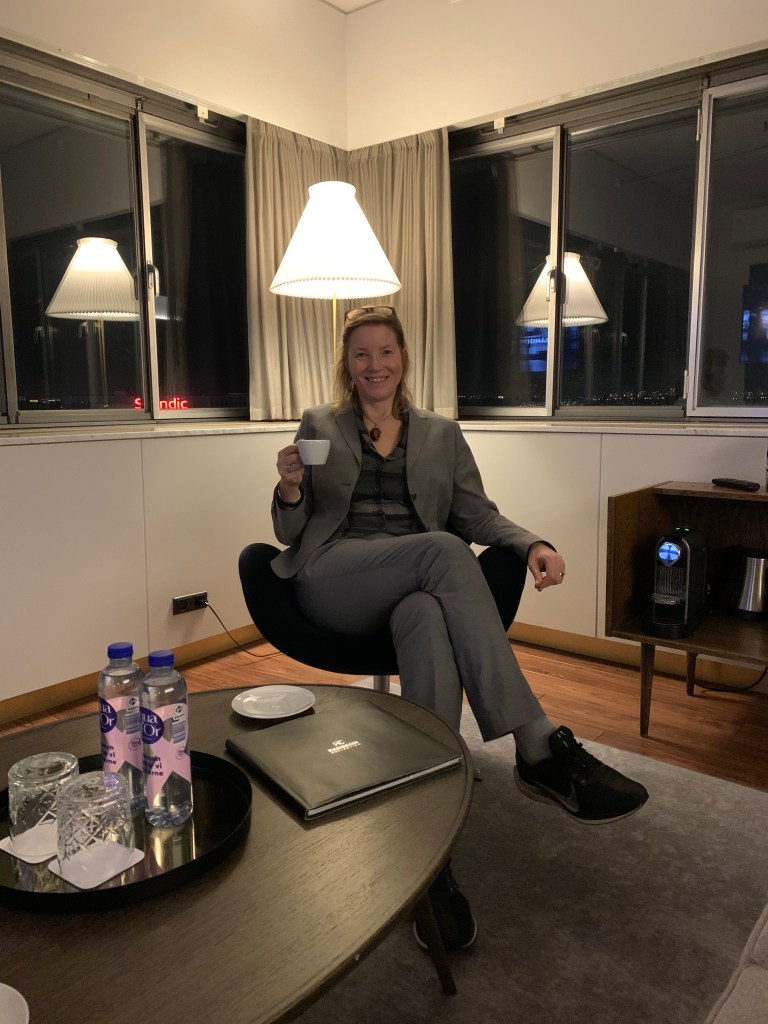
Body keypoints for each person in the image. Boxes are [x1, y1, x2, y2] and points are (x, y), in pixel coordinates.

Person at [271, 305, 648, 950]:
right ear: (347, 364)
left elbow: (477, 513)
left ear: (403, 357)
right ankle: (536, 744)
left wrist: (531, 543)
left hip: (411, 583)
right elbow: (290, 532)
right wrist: (289, 489)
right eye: (361, 354)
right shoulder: (320, 424)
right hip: (334, 577)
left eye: (385, 351)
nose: (374, 365)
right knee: (444, 550)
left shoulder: (441, 434)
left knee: (423, 610)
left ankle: (429, 837)